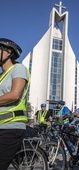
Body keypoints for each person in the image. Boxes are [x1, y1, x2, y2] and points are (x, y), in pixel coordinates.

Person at [0, 38, 30, 169]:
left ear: (8, 52)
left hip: (11, 128)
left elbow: (14, 94)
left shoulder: (18, 68)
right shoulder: (1, 76)